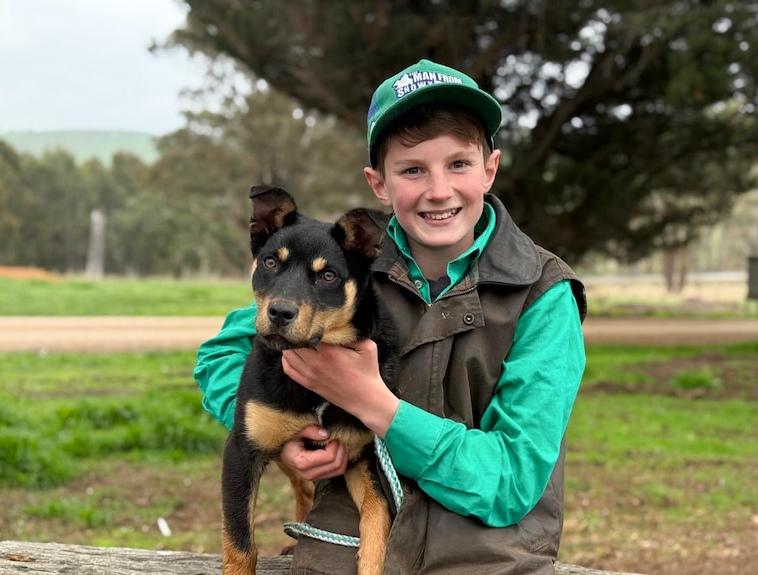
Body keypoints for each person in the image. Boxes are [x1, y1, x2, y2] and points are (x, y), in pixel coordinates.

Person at [194, 59, 587, 575]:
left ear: (490, 168)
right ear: (378, 183)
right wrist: (284, 441)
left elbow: (511, 482)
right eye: (412, 169)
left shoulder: (544, 297)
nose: (439, 189)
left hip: (489, 558)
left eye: (459, 165)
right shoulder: (345, 268)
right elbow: (223, 352)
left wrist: (375, 405)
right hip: (340, 551)